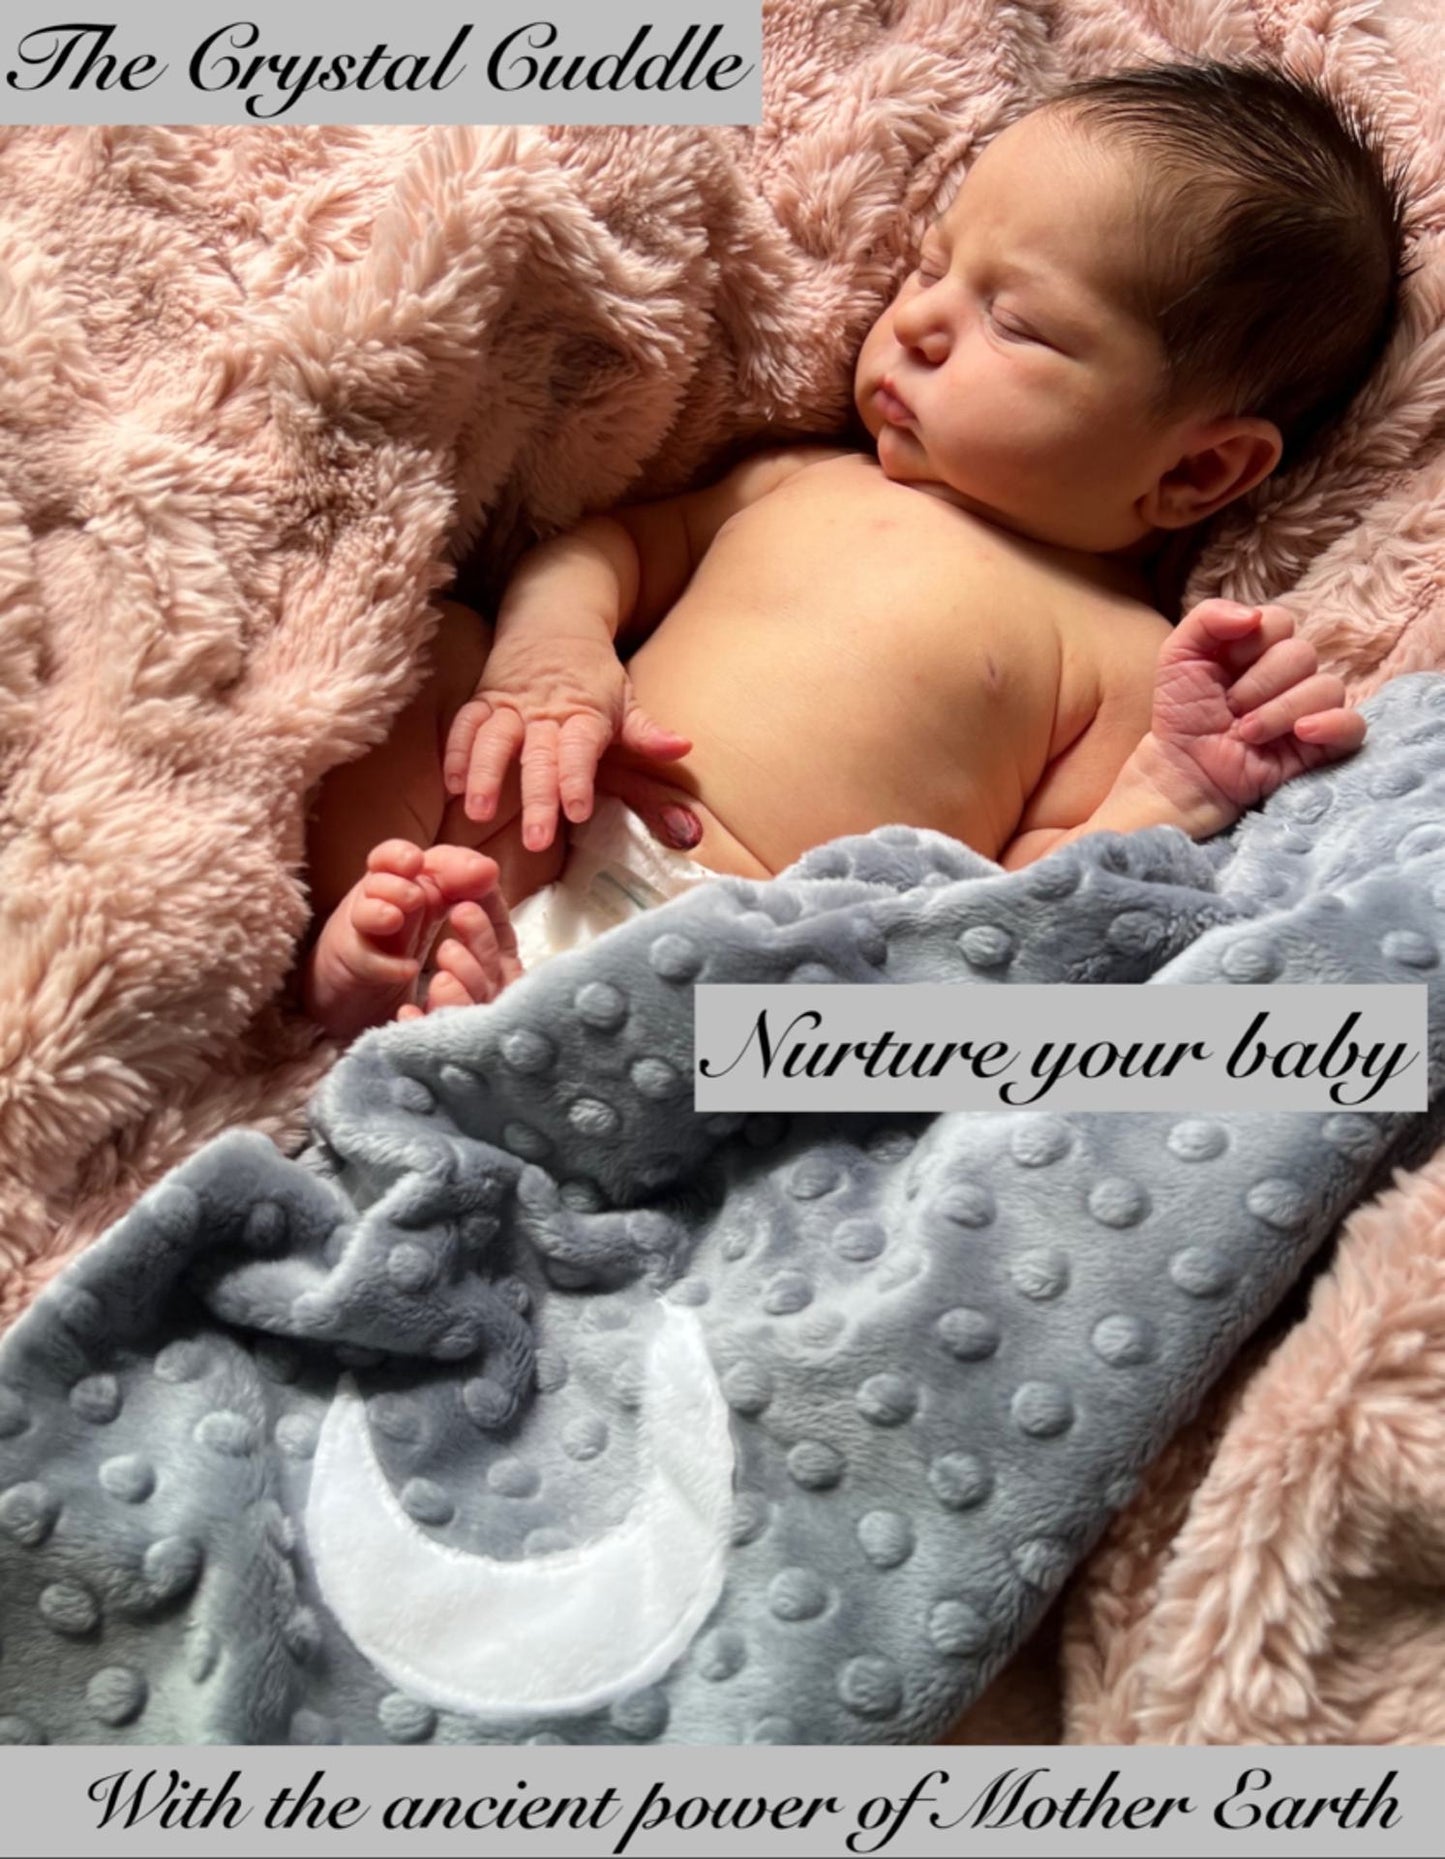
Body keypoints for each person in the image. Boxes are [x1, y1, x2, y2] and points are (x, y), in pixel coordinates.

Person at [300, 60, 1407, 1040]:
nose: (918, 321)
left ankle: (487, 1027)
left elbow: (1026, 917)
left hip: (744, 980)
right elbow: (602, 550)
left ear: (1194, 472)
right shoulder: (804, 477)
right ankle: (389, 952)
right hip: (533, 823)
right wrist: (549, 656)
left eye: (1013, 322)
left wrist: (1168, 785)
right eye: (930, 268)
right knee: (424, 647)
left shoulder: (1121, 655)